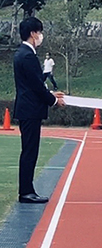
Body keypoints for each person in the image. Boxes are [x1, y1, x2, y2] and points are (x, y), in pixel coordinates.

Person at [13, 17, 65, 204]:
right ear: (34, 33)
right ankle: (26, 191)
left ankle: (28, 189)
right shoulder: (27, 55)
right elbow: (35, 85)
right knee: (29, 151)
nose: (41, 36)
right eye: (40, 32)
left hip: (27, 108)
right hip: (30, 110)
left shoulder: (22, 54)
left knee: (29, 150)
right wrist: (53, 100)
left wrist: (51, 93)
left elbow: (33, 84)